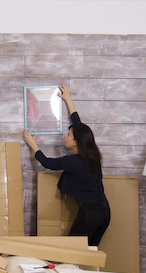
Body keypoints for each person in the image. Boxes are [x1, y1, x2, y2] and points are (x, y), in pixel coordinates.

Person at [21, 84, 110, 247]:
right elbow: (78, 124)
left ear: (76, 142)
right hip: (105, 211)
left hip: (90, 213)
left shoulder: (74, 162)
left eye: (68, 135)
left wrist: (33, 144)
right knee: (91, 253)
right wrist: (68, 99)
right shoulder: (92, 153)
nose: (65, 136)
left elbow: (48, 163)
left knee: (72, 251)